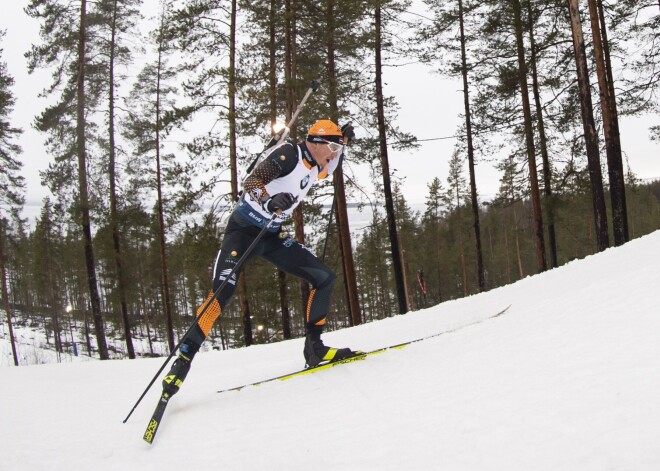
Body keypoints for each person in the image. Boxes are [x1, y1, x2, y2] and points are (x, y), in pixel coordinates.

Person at [162, 119, 357, 397]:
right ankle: (183, 360)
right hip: (243, 232)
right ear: (316, 142)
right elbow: (251, 182)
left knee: (323, 278)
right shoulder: (289, 154)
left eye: (338, 148)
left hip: (270, 237)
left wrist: (344, 142)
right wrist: (268, 201)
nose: (334, 154)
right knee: (221, 294)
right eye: (333, 147)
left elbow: (333, 164)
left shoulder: (319, 165)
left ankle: (314, 348)